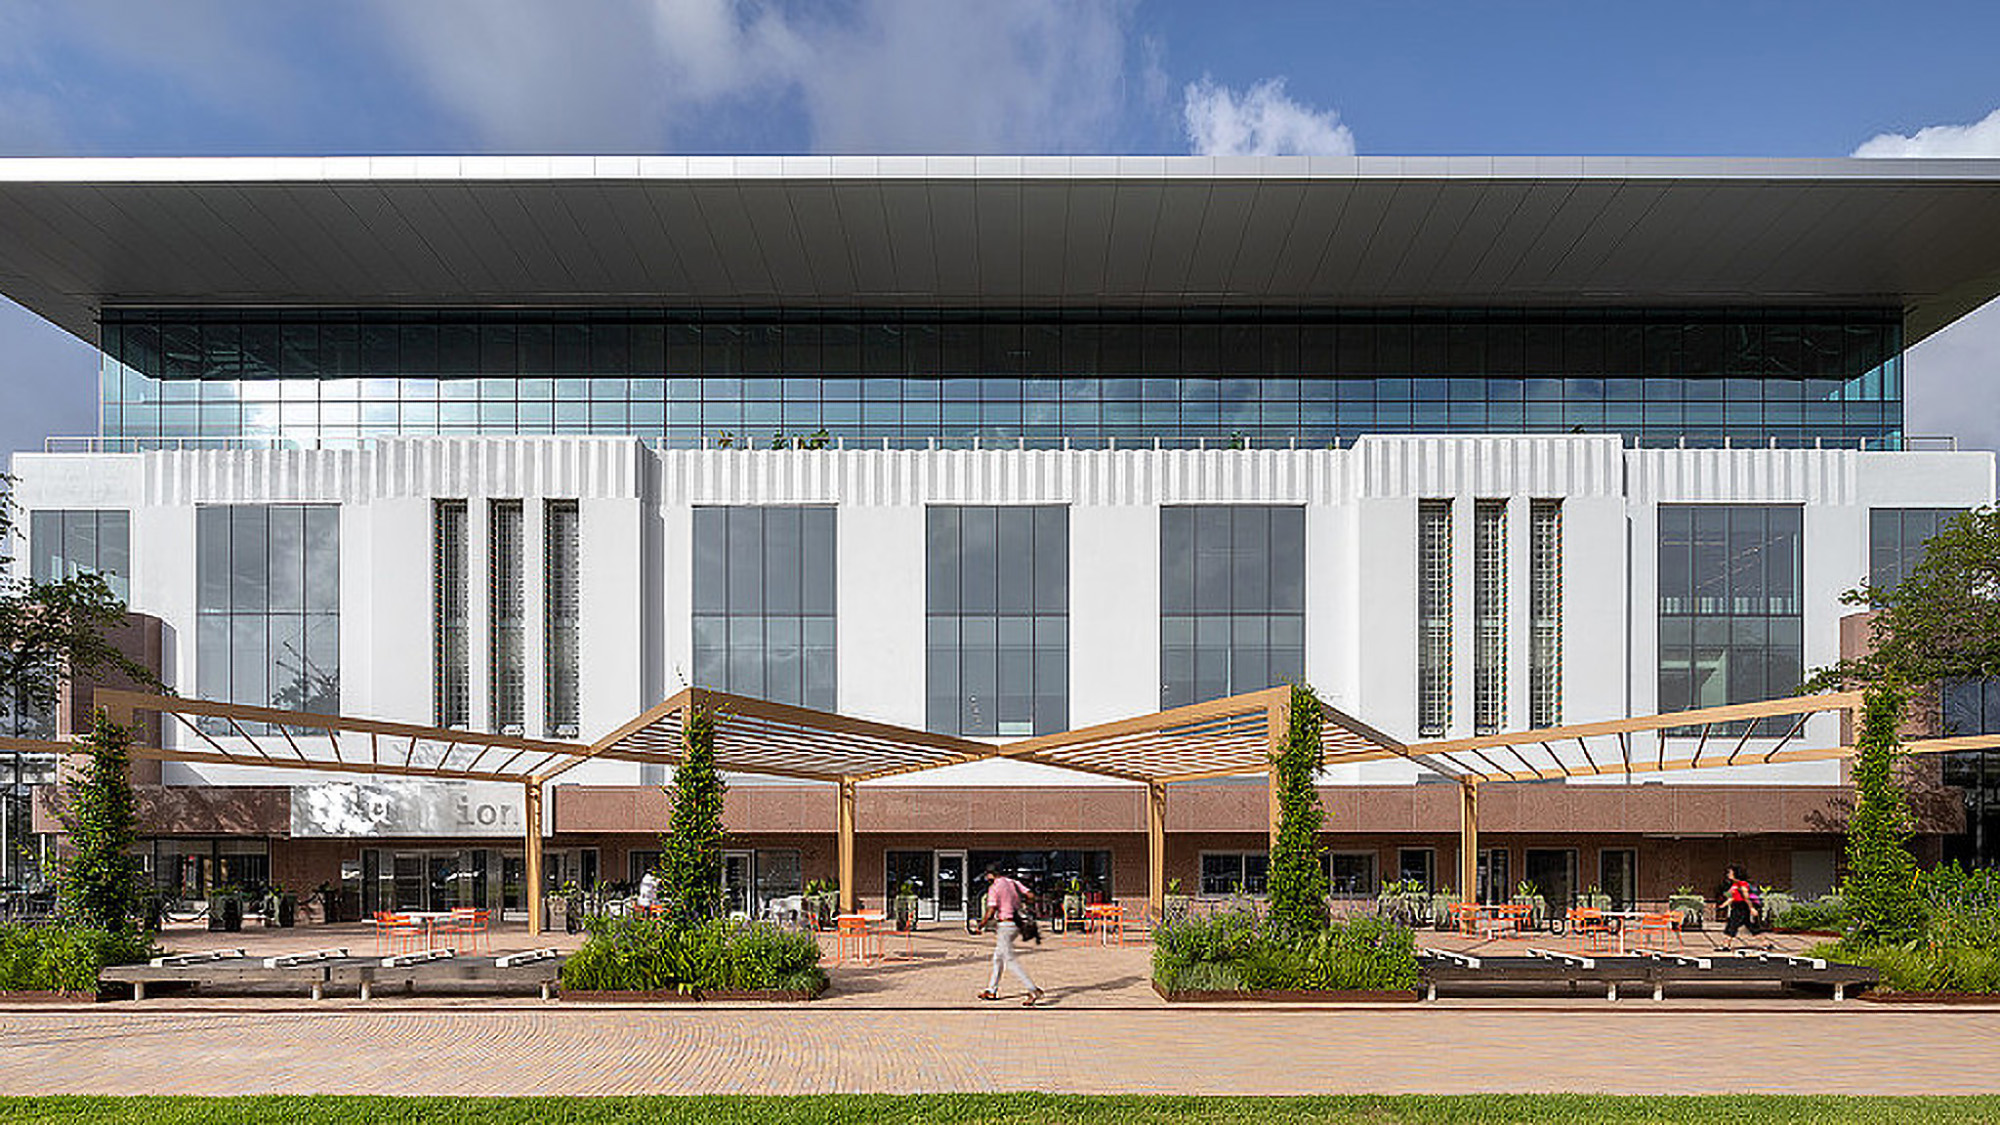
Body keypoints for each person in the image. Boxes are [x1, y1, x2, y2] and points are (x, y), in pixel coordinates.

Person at [976, 863, 1046, 1006]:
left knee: (1009, 960)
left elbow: (990, 911)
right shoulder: (1012, 882)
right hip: (1015, 923)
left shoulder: (994, 887)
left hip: (1005, 925)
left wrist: (981, 925)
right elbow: (1030, 895)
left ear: (991, 875)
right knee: (998, 958)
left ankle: (1033, 990)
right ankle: (991, 990)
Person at [1722, 865, 1764, 948]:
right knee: (1750, 926)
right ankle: (1765, 942)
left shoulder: (1742, 884)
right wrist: (1725, 903)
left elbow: (1746, 897)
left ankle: (1726, 944)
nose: (1728, 874)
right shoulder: (1735, 884)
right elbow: (1731, 896)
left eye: (1730, 873)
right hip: (1737, 906)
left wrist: (1751, 908)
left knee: (1732, 925)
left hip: (1742, 907)